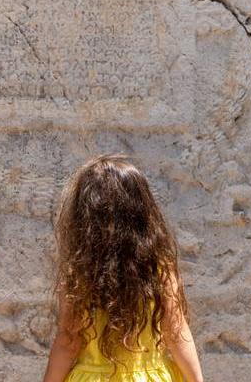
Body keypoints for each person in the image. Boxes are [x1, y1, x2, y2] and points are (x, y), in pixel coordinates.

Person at [42, 153, 204, 382]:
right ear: (141, 212)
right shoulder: (158, 268)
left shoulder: (79, 274)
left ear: (84, 218)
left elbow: (69, 342)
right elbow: (176, 332)